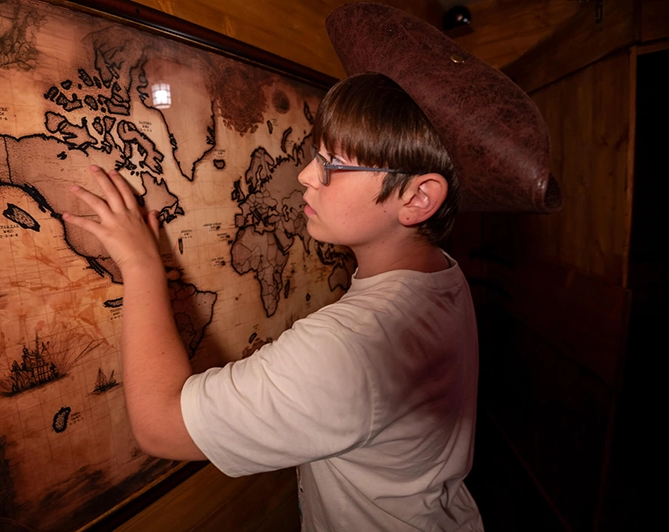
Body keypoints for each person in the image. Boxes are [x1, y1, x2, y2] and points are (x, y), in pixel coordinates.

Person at [61, 3, 559, 531]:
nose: (304, 175)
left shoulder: (348, 348)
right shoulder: (442, 274)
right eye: (313, 155)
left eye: (331, 164)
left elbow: (161, 426)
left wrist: (141, 265)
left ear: (416, 199)